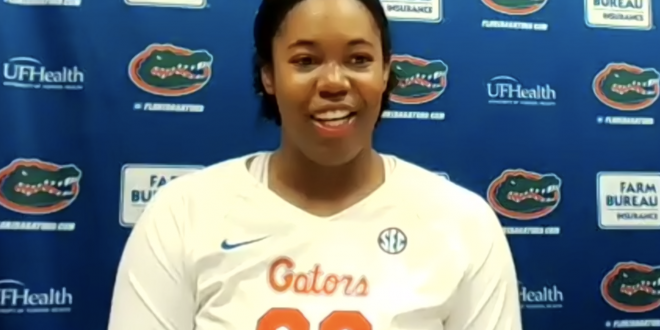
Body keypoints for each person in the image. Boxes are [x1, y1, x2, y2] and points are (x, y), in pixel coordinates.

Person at [107, 0, 523, 328]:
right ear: (268, 75)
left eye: (358, 59)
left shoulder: (463, 225)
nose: (334, 83)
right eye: (305, 61)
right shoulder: (182, 215)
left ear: (385, 73)